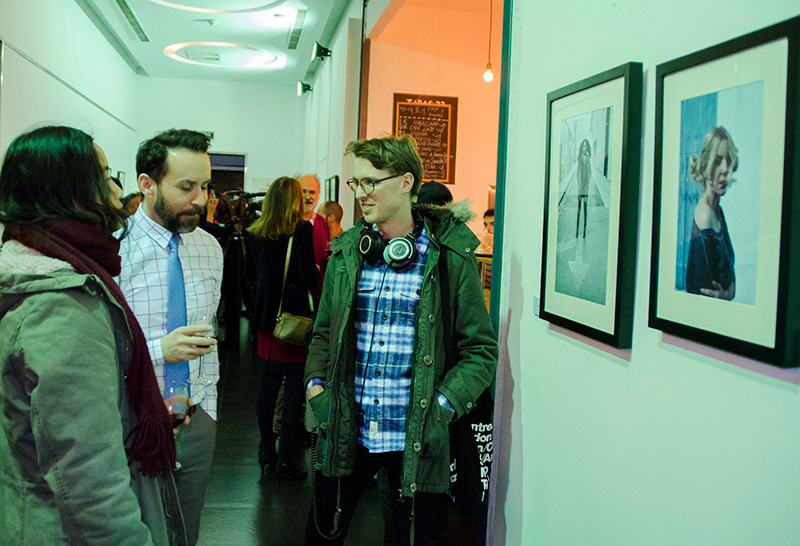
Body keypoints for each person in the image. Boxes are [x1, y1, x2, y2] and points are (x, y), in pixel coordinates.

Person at [304, 134, 498, 545]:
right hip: (345, 429)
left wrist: (441, 407)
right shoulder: (347, 252)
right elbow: (323, 333)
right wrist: (315, 387)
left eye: (370, 182)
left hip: (416, 437)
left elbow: (481, 351)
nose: (360, 194)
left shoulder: (450, 258)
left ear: (406, 182)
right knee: (321, 536)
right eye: (357, 183)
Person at [0, 126, 185, 544]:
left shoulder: (29, 270)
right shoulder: (62, 306)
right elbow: (87, 477)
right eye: (103, 175)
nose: (116, 191)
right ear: (70, 190)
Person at [117, 129, 223, 546]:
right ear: (147, 184)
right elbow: (97, 345)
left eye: (205, 186)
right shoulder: (115, 250)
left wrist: (208, 411)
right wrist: (161, 350)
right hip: (133, 418)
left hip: (196, 420)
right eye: (186, 186)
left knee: (183, 534)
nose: (200, 198)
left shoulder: (209, 247)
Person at [245, 176, 319, 480]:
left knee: (268, 383)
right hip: (292, 319)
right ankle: (286, 459)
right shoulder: (301, 229)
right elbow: (308, 277)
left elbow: (250, 275)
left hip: (265, 317)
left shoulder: (254, 233)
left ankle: (266, 449)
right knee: (292, 392)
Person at [686, 126, 738, 300]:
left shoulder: (718, 212)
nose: (725, 169)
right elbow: (702, 292)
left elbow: (729, 274)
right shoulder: (705, 216)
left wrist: (728, 292)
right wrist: (727, 293)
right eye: (717, 161)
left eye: (728, 160)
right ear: (706, 165)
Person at [298, 174, 331, 277]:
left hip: (318, 291)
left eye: (312, 192)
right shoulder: (286, 223)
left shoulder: (322, 223)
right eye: (303, 191)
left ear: (318, 194)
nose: (308, 197)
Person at [576, 139, 591, 238]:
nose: (584, 148)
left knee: (585, 209)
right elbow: (577, 172)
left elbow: (590, 172)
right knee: (578, 209)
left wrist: (587, 182)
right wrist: (579, 184)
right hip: (580, 186)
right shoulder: (579, 158)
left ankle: (584, 230)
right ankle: (577, 230)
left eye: (586, 146)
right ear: (582, 147)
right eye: (583, 146)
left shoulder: (588, 158)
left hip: (585, 186)